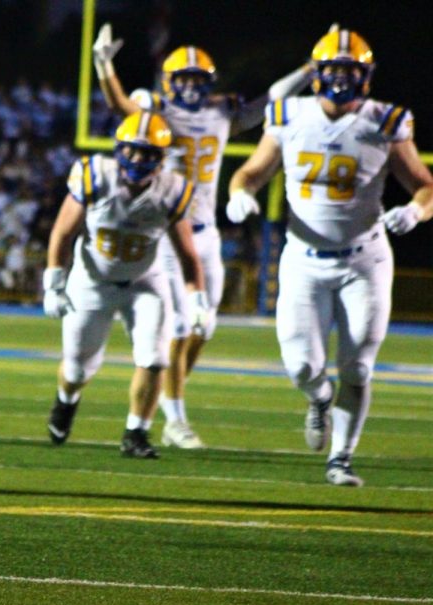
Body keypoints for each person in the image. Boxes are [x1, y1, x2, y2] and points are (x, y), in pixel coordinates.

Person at [225, 27, 433, 487]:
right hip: (303, 257)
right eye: (334, 70)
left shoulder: (386, 121)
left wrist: (416, 211)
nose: (341, 79)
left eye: (350, 70)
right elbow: (251, 171)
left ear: (366, 75)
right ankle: (319, 397)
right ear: (318, 74)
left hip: (366, 259)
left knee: (358, 365)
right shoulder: (288, 115)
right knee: (301, 365)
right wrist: (239, 192)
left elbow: (424, 184)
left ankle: (341, 456)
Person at [92, 25, 310, 448]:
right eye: (184, 79)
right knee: (177, 326)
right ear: (170, 82)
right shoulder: (153, 109)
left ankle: (170, 400)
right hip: (168, 235)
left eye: (197, 80)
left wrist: (308, 69)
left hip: (206, 231)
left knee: (203, 326)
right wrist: (104, 64)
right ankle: (174, 419)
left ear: (208, 82)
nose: (191, 88)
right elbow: (120, 105)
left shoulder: (221, 110)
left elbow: (270, 101)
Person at [43, 112, 205, 459]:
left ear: (161, 158)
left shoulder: (173, 190)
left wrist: (199, 301)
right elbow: (62, 231)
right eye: (132, 151)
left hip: (144, 281)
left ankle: (136, 432)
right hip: (91, 278)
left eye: (147, 154)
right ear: (119, 150)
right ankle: (66, 400)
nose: (138, 160)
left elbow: (188, 254)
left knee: (155, 357)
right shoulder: (95, 176)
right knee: (75, 366)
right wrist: (53, 283)